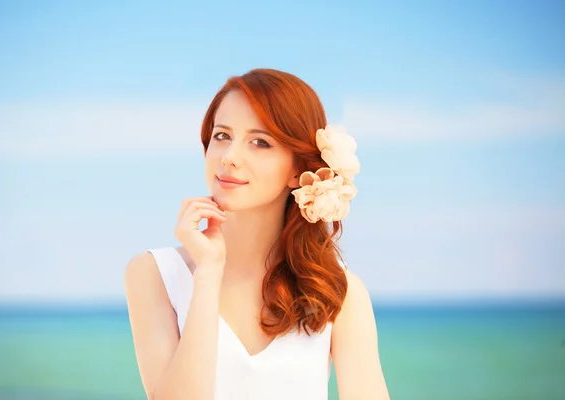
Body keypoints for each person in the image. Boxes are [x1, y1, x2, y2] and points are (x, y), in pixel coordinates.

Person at [124, 68, 390, 400]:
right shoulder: (154, 274)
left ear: (298, 171)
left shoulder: (338, 292)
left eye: (260, 142)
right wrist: (208, 273)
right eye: (222, 136)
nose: (230, 157)